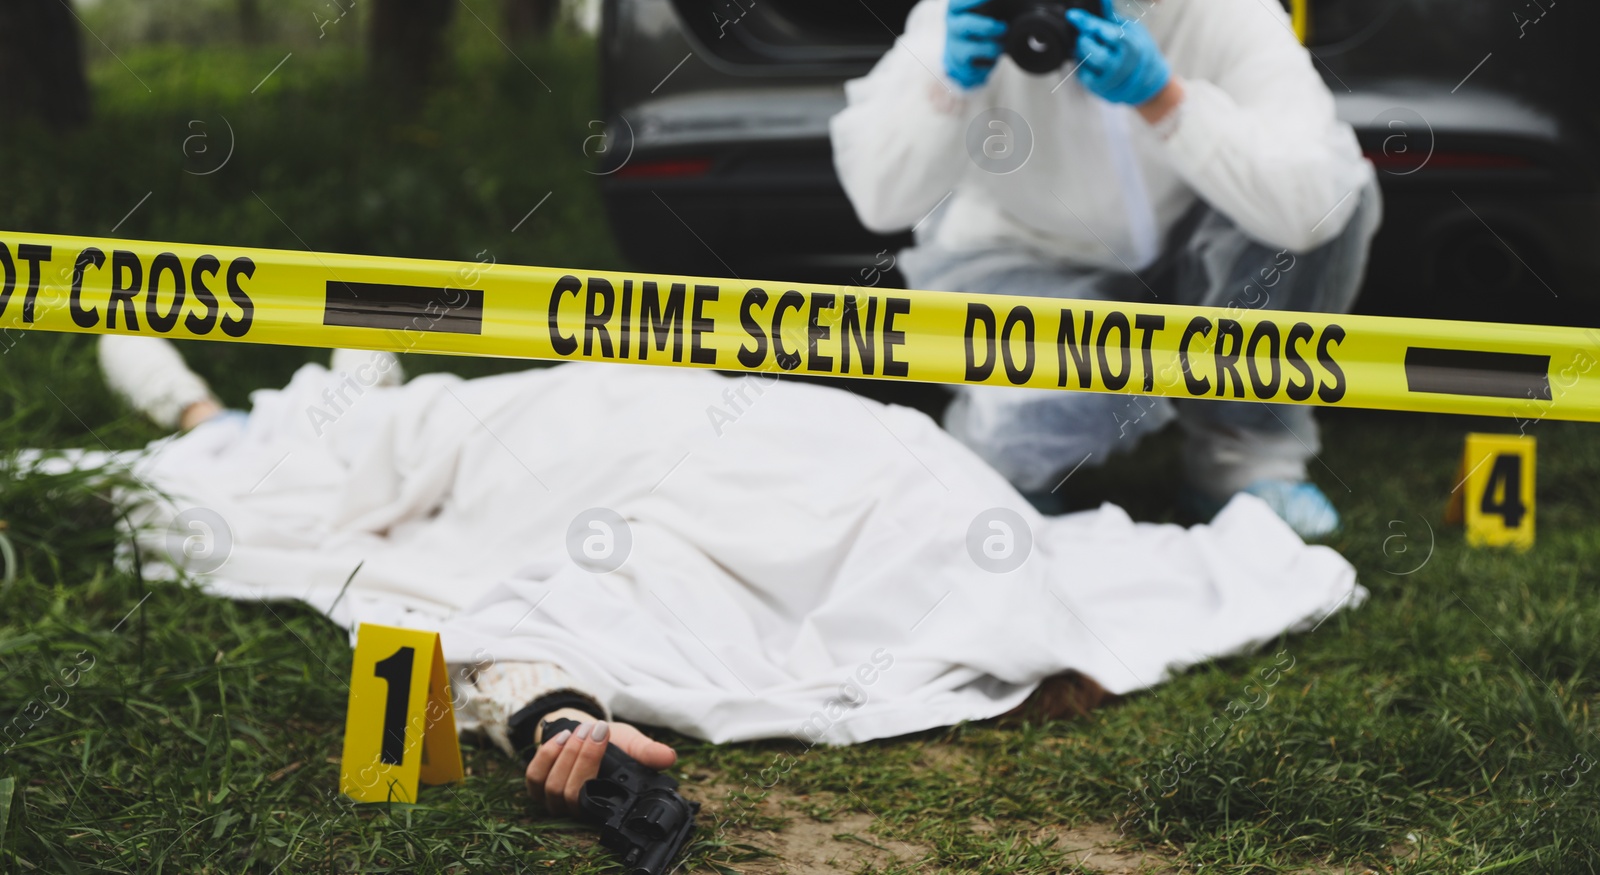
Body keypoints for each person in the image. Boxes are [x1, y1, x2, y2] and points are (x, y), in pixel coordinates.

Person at [87, 334, 1361, 813]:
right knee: (376, 459)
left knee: (334, 482)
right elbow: (526, 621)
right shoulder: (911, 487)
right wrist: (552, 709)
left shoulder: (740, 588)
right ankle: (267, 409)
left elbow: (514, 629)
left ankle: (217, 412)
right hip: (609, 413)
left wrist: (553, 720)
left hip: (589, 456)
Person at [829, 0, 1381, 539]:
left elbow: (1313, 196)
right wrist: (948, 86)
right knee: (1024, 436)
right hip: (1029, 264)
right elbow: (879, 194)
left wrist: (1168, 100)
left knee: (1343, 189)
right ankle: (1009, 457)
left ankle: (1243, 464)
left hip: (1191, 264)